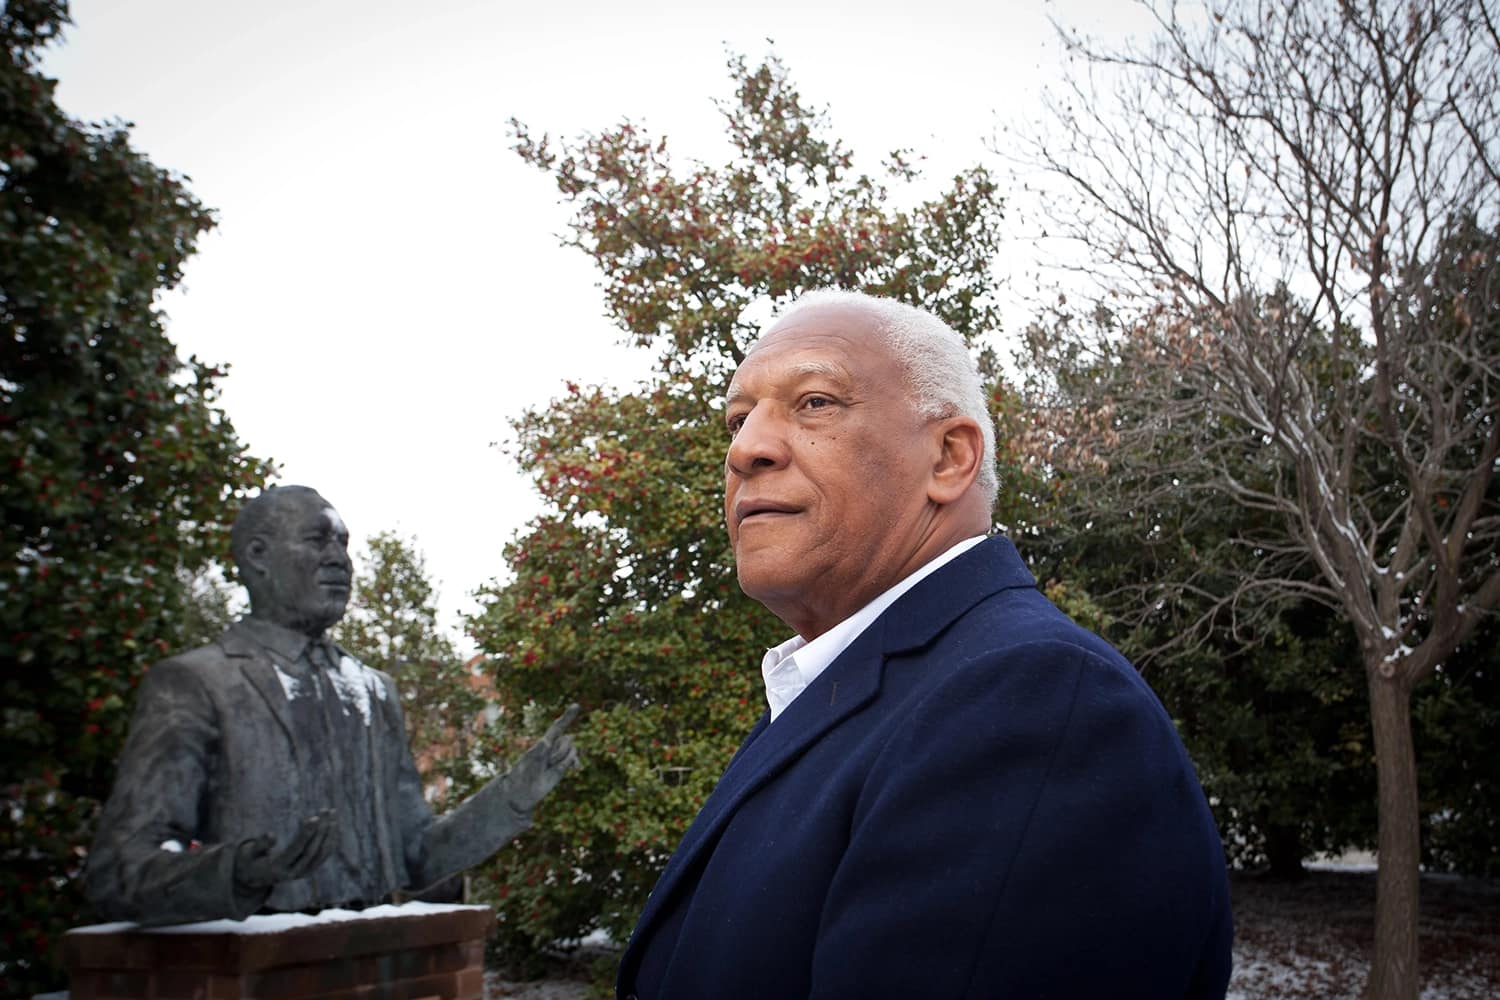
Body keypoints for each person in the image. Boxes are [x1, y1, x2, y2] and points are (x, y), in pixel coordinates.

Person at [615, 291, 1233, 999]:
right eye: (737, 418)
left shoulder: (1036, 702)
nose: (744, 449)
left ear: (949, 457)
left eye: (814, 402)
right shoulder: (853, 691)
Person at [86, 485, 579, 925]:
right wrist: (239, 872)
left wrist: (513, 796)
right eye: (317, 540)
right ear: (258, 555)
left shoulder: (374, 691)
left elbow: (416, 857)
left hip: (376, 965)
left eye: (343, 544)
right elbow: (120, 872)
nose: (339, 560)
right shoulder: (195, 683)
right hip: (260, 968)